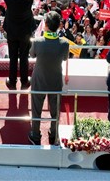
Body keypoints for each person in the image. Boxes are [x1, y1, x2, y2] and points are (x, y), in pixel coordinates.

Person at [28, 11, 69, 145]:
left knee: (36, 109)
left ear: (45, 24)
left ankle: (35, 135)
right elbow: (64, 58)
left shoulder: (38, 41)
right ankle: (53, 134)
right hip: (55, 81)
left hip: (39, 80)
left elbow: (32, 55)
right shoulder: (64, 43)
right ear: (59, 26)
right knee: (55, 110)